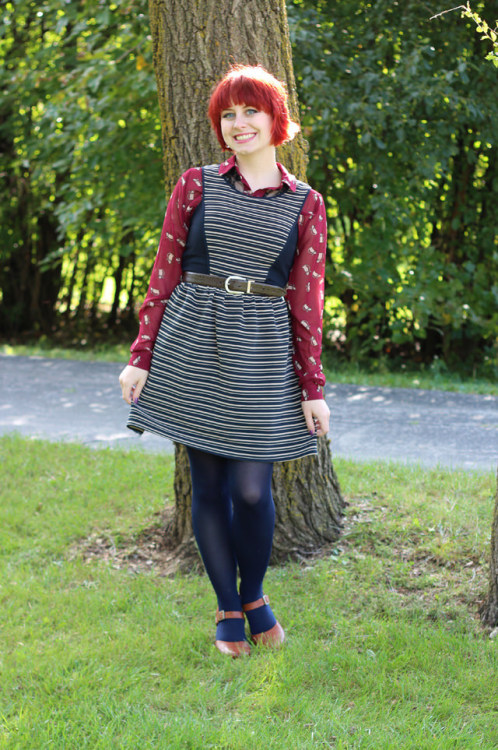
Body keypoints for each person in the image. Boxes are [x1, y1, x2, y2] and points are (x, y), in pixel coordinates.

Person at [119, 64, 330, 658]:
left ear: (275, 120)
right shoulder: (195, 184)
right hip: (194, 336)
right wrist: (142, 355)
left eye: (250, 112)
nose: (239, 125)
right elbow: (163, 273)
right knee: (207, 483)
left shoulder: (305, 204)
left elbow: (308, 301)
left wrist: (312, 386)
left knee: (253, 491)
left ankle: (256, 594)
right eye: (228, 115)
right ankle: (228, 607)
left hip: (261, 346)